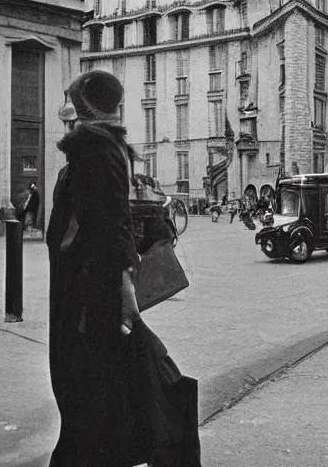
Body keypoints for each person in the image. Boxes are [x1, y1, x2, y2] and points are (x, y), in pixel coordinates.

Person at [47, 71, 201, 466]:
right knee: (100, 393)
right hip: (88, 291)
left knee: (88, 391)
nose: (69, 122)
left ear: (84, 111)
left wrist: (126, 293)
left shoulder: (92, 152)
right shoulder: (105, 149)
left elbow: (109, 228)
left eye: (73, 114)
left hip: (89, 296)